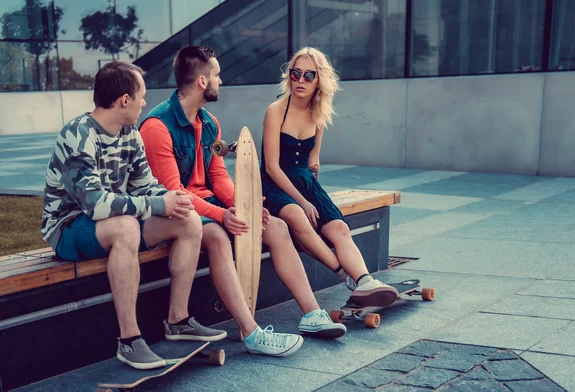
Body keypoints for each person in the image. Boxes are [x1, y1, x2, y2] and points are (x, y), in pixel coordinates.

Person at [139, 45, 346, 357]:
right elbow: (174, 194)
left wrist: (245, 204)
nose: (221, 81)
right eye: (217, 75)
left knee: (275, 227)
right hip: (178, 214)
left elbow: (219, 176)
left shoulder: (209, 122)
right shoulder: (157, 127)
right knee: (219, 237)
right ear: (201, 82)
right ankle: (252, 334)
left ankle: (312, 313)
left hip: (207, 206)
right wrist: (223, 217)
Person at [40, 61, 227, 370]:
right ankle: (129, 341)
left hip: (111, 220)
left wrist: (170, 199)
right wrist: (155, 206)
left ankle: (178, 321)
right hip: (69, 226)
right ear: (124, 100)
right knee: (127, 227)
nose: (145, 102)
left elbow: (145, 186)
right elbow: (96, 204)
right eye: (141, 95)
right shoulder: (78, 135)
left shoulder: (130, 134)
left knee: (188, 218)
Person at [260, 47, 399, 307]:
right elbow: (271, 167)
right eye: (296, 74)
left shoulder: (318, 114)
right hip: (275, 183)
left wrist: (317, 199)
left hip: (304, 181)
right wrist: (303, 201)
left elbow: (313, 161)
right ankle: (346, 276)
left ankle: (366, 280)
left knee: (338, 227)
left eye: (308, 76)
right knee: (298, 215)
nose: (300, 81)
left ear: (319, 80)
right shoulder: (276, 110)